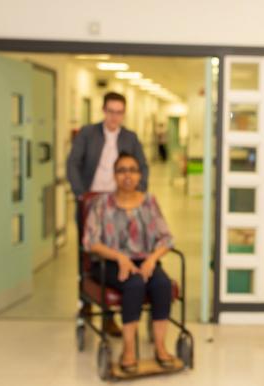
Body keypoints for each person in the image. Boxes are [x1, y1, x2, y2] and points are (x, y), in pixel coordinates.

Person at [83, 152, 176, 372]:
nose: (128, 175)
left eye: (133, 170)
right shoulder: (101, 204)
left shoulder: (149, 202)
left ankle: (160, 347)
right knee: (134, 284)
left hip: (144, 261)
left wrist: (152, 260)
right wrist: (120, 257)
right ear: (114, 175)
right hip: (109, 262)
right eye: (122, 170)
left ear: (139, 175)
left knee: (162, 284)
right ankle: (129, 350)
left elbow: (167, 238)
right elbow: (90, 241)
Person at [67, 92, 149, 337]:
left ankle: (110, 316)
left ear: (124, 113)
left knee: (119, 252)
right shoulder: (88, 134)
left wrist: (139, 195)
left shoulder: (130, 138)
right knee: (89, 255)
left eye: (119, 112)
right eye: (111, 111)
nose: (115, 117)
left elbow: (142, 166)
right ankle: (87, 304)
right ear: (103, 111)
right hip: (92, 201)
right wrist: (81, 195)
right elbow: (73, 163)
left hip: (121, 204)